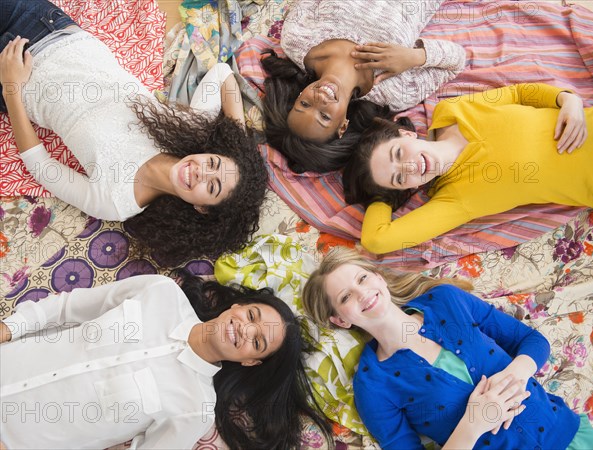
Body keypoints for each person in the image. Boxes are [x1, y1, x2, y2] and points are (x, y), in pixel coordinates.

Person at [0, 0, 268, 266]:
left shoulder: (116, 202)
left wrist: (11, 86)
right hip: (47, 30)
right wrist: (238, 142)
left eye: (212, 186)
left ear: (202, 209)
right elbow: (223, 75)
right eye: (213, 163)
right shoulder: (188, 126)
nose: (201, 171)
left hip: (14, 83)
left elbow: (42, 167)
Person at [302, 247, 593, 450]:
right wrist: (474, 422)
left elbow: (534, 342)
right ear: (340, 320)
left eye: (363, 278)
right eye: (346, 297)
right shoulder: (372, 386)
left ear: (378, 277)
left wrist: (517, 374)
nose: (363, 292)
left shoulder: (446, 299)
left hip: (572, 434)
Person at [0, 271, 330, 450]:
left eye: (257, 342)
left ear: (250, 362)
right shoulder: (160, 292)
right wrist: (8, 328)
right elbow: (68, 307)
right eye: (252, 315)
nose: (245, 329)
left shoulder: (195, 408)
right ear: (237, 307)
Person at [342, 83, 593, 255]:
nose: (409, 166)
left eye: (397, 153)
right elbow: (376, 240)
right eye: (398, 178)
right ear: (407, 188)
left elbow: (520, 94)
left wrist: (568, 99)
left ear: (405, 134)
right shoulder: (455, 200)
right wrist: (382, 197)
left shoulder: (451, 110)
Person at [260, 0, 466, 173]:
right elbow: (456, 61)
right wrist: (413, 56)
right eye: (324, 116)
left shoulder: (295, 40)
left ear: (298, 96)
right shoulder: (395, 92)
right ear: (343, 126)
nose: (319, 99)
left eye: (304, 104)